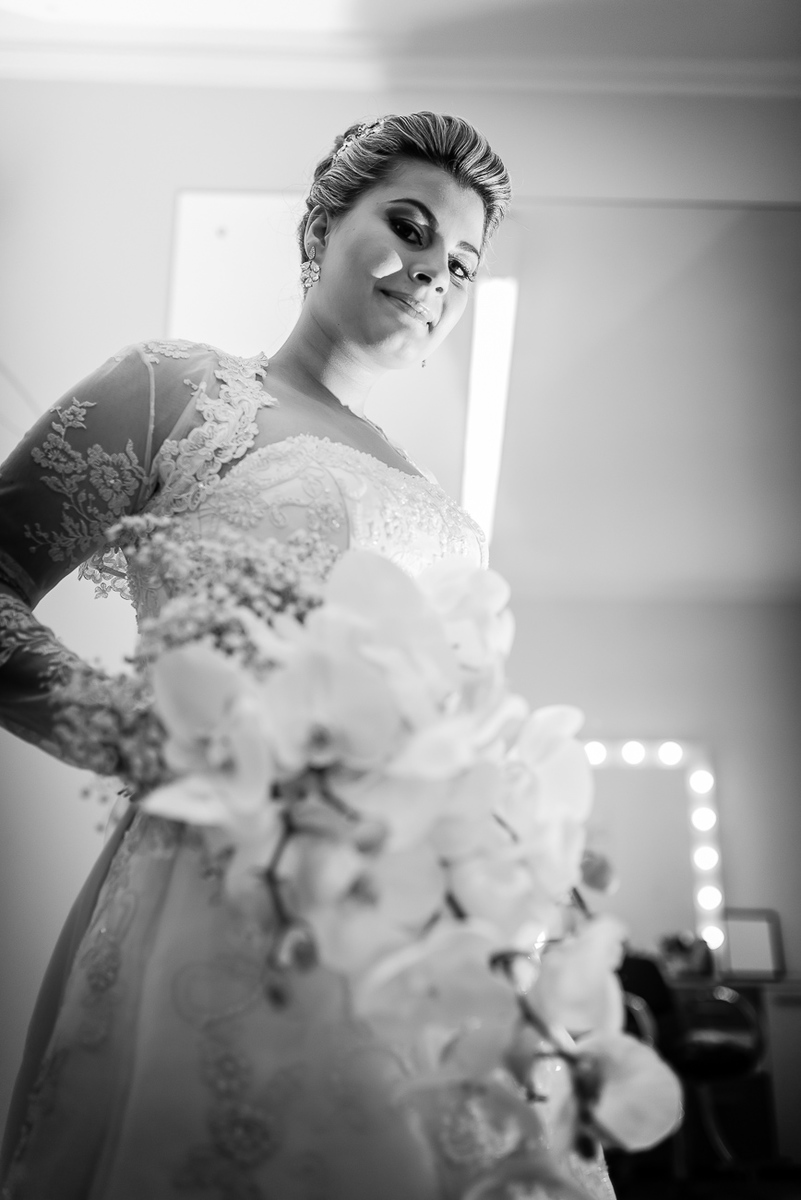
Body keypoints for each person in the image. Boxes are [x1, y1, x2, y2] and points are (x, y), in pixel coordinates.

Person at [0, 112, 613, 1199]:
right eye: (410, 229)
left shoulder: (443, 509)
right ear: (322, 228)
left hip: (423, 924)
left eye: (461, 265)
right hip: (222, 885)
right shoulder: (177, 389)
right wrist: (134, 732)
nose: (433, 275)